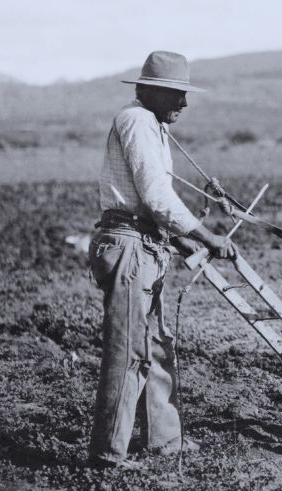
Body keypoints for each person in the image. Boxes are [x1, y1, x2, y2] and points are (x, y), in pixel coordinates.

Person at [87, 50, 236, 469]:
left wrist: (190, 244)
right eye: (175, 94)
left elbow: (154, 205)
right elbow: (155, 197)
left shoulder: (150, 123)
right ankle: (107, 457)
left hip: (146, 244)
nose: (183, 104)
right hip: (129, 246)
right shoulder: (135, 120)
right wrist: (207, 235)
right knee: (129, 352)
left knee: (153, 347)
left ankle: (164, 442)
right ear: (147, 90)